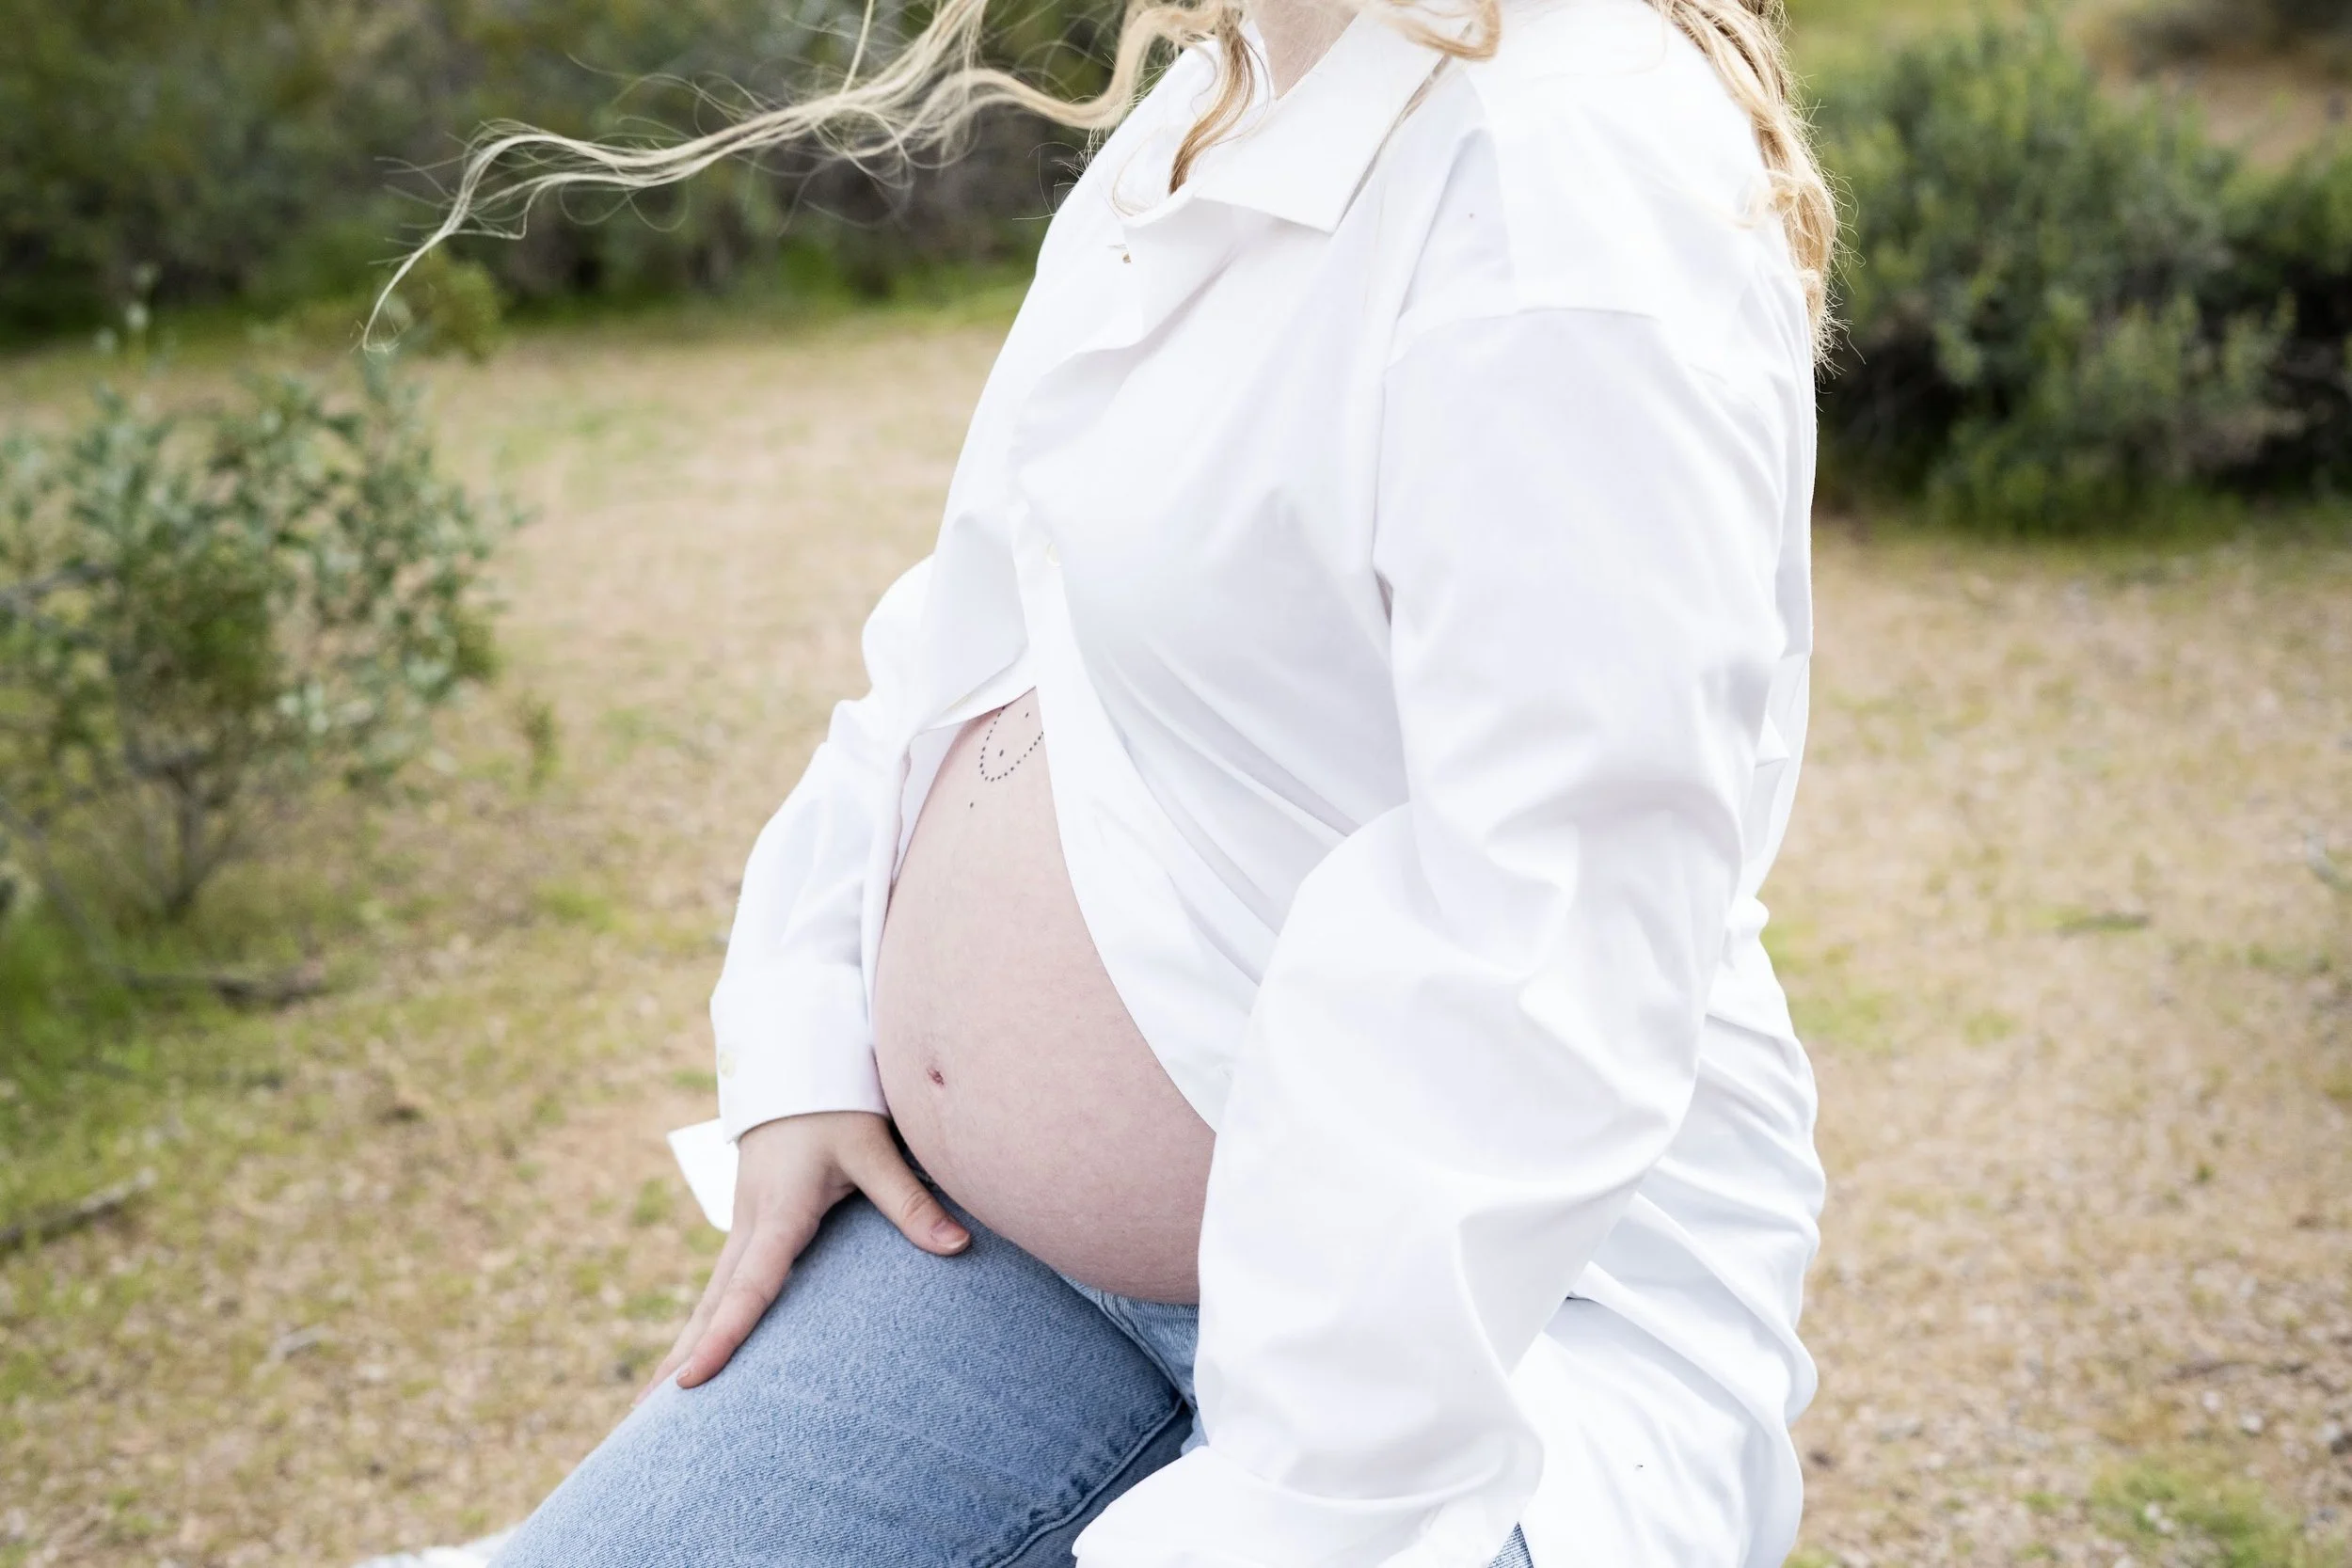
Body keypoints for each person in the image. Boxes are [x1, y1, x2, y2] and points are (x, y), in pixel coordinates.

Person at [458, 0, 1836, 1560]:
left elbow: (1553, 925)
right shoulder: (1225, 99)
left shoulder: (1567, 178)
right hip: (1012, 1260)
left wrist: (1284, 1514)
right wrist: (806, 1036)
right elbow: (980, 616)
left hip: (1448, 1379)